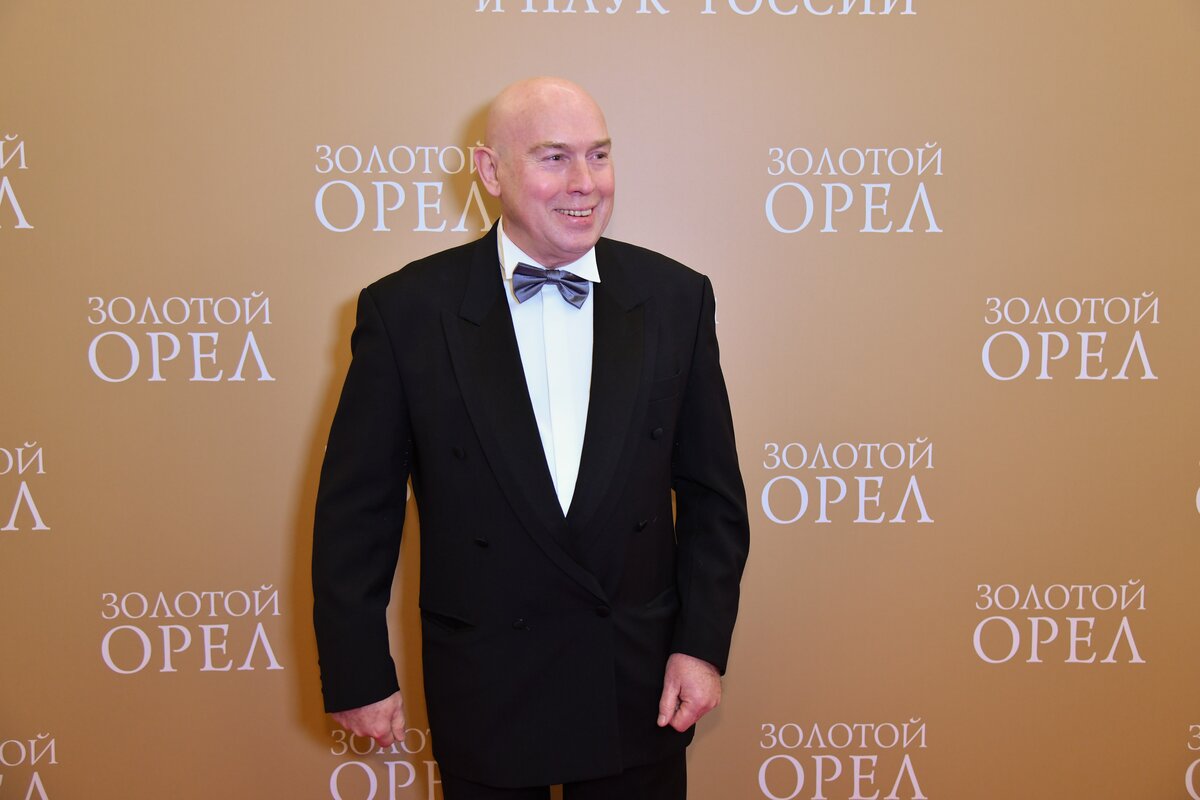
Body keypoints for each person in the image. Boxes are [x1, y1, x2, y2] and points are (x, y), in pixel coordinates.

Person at [312, 76, 749, 799]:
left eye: (599, 155)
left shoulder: (677, 298)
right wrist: (357, 668)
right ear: (491, 171)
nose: (585, 183)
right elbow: (357, 511)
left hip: (636, 679)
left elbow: (714, 500)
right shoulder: (406, 311)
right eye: (554, 157)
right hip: (487, 680)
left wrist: (700, 647)